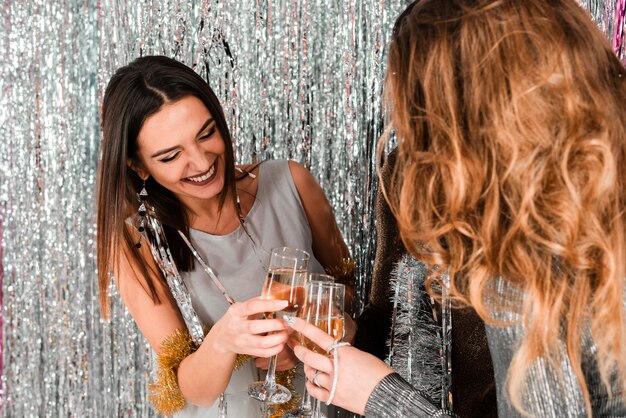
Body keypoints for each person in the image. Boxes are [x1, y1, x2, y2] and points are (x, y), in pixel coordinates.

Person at [287, 0, 626, 416]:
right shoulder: (589, 186)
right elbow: (389, 307)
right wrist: (350, 337)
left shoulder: (524, 245)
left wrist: (383, 398)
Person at [96, 55, 351, 417]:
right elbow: (190, 391)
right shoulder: (137, 242)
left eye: (207, 134)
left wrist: (318, 329)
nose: (201, 163)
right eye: (170, 156)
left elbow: (349, 296)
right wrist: (226, 338)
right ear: (138, 167)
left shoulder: (292, 182)